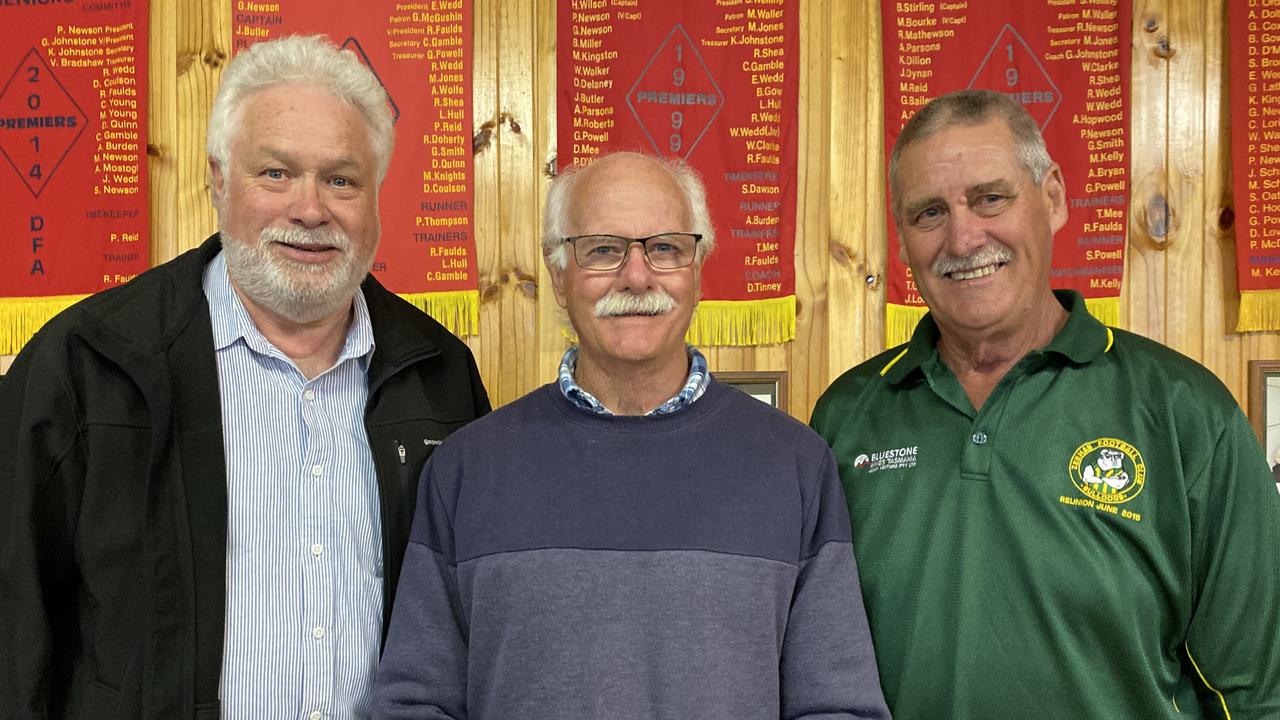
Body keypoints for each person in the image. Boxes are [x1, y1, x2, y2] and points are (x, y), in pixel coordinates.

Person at [0, 35, 490, 718]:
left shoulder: (438, 376)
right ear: (217, 181)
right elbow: (13, 627)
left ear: (375, 197)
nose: (311, 209)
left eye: (341, 179)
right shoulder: (86, 366)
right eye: (276, 174)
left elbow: (471, 621)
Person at [811, 89, 1280, 718]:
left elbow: (1254, 692)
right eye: (928, 213)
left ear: (1053, 197)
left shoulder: (1184, 412)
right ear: (901, 240)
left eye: (990, 198)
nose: (964, 237)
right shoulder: (845, 417)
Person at [371, 151, 890, 719]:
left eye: (665, 247)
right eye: (603, 249)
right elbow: (417, 701)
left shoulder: (794, 464)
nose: (637, 275)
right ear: (559, 277)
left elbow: (838, 705)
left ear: (697, 271)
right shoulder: (467, 468)